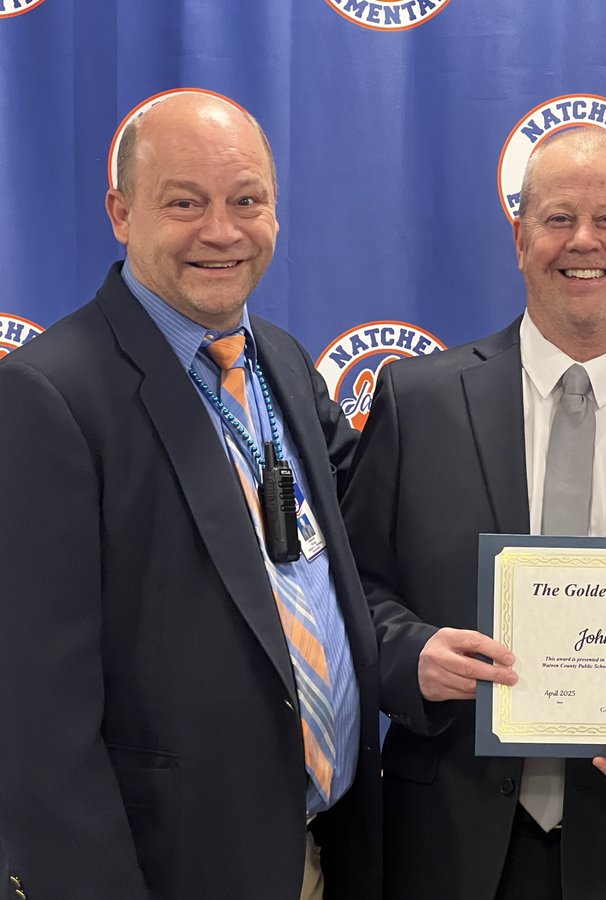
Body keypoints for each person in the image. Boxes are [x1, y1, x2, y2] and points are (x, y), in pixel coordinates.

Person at [341, 127, 606, 900]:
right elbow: (351, 593)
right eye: (558, 217)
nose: (583, 242)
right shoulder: (419, 402)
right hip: (442, 850)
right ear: (520, 236)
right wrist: (412, 658)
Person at [0, 93, 381, 900]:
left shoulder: (277, 359)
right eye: (185, 203)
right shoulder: (48, 397)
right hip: (178, 871)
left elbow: (351, 563)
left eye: (247, 201)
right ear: (120, 212)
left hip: (322, 851)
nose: (222, 231)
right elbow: (35, 722)